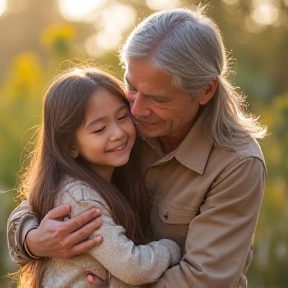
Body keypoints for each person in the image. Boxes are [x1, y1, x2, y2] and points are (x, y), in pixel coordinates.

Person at [7, 5, 267, 288]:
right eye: (131, 87)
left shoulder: (237, 164)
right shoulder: (119, 126)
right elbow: (51, 189)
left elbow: (204, 280)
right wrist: (33, 240)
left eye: (158, 99)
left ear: (205, 90)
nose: (137, 109)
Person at [10, 66, 181, 288]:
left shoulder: (105, 180)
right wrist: (171, 248)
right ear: (70, 145)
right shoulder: (79, 198)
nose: (118, 133)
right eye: (100, 129)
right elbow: (133, 267)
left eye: (122, 117)